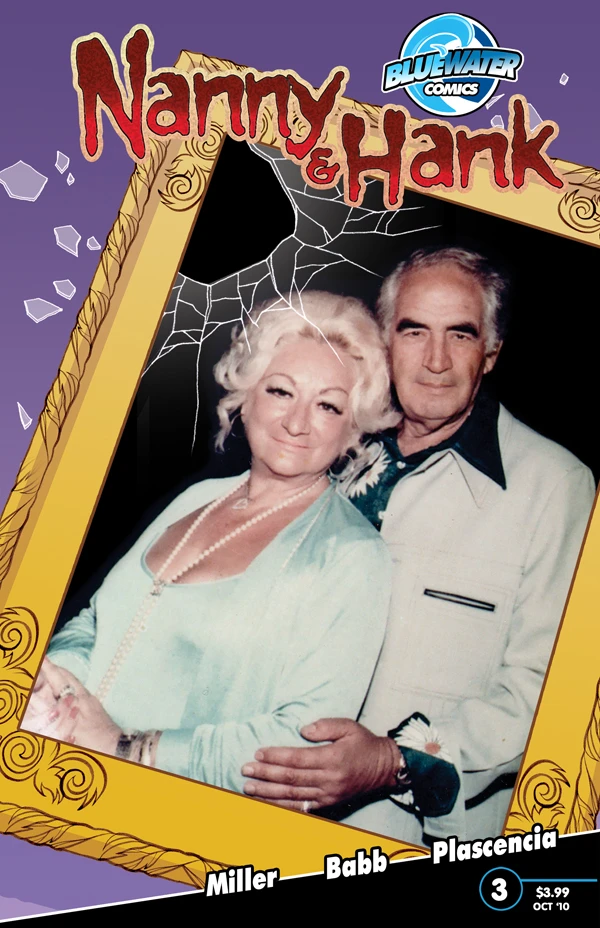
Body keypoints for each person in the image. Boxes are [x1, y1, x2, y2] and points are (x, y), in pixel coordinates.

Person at [241, 247, 596, 845]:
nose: (435, 360)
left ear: (491, 352)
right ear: (384, 341)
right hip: (258, 800)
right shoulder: (330, 442)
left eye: (461, 334)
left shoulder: (555, 486)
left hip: (408, 835)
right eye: (414, 331)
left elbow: (546, 694)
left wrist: (394, 760)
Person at [22, 291, 399, 795]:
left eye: (328, 406)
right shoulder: (199, 498)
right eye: (281, 391)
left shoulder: (350, 556)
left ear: (353, 427)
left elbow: (304, 747)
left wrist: (126, 748)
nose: (297, 423)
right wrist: (56, 688)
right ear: (246, 395)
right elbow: (100, 619)